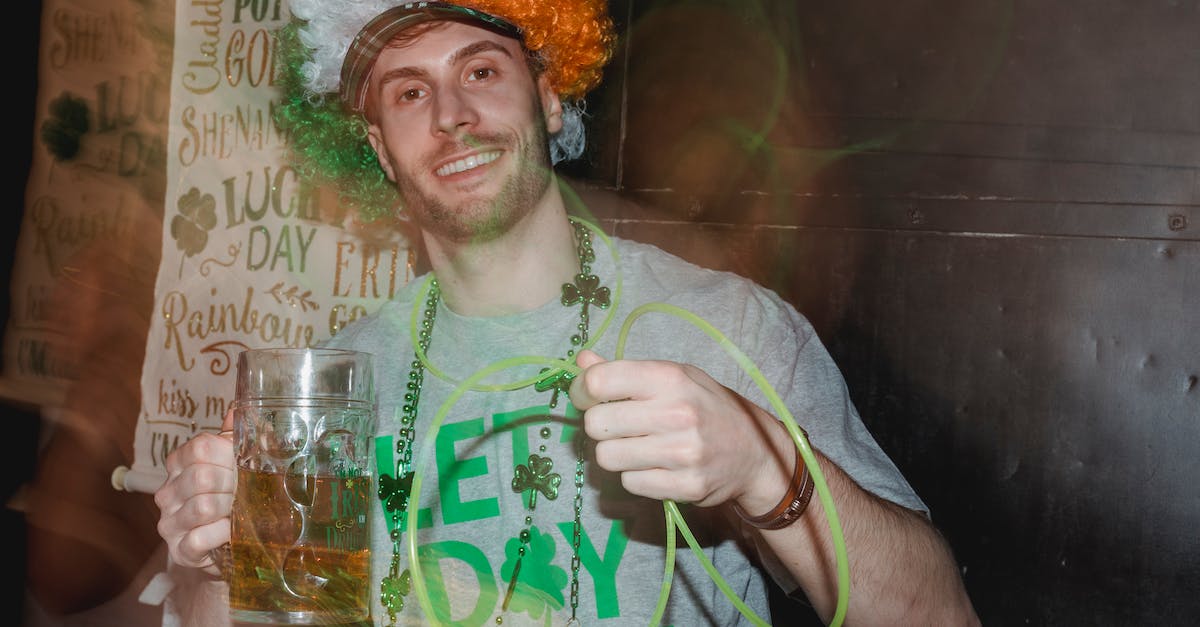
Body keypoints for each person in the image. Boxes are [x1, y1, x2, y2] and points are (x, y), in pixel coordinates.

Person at [154, 1, 980, 625]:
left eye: (481, 71)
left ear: (550, 99)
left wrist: (766, 469)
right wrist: (204, 560)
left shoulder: (728, 327)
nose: (451, 116)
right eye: (410, 93)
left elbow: (940, 613)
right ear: (377, 148)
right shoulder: (328, 391)